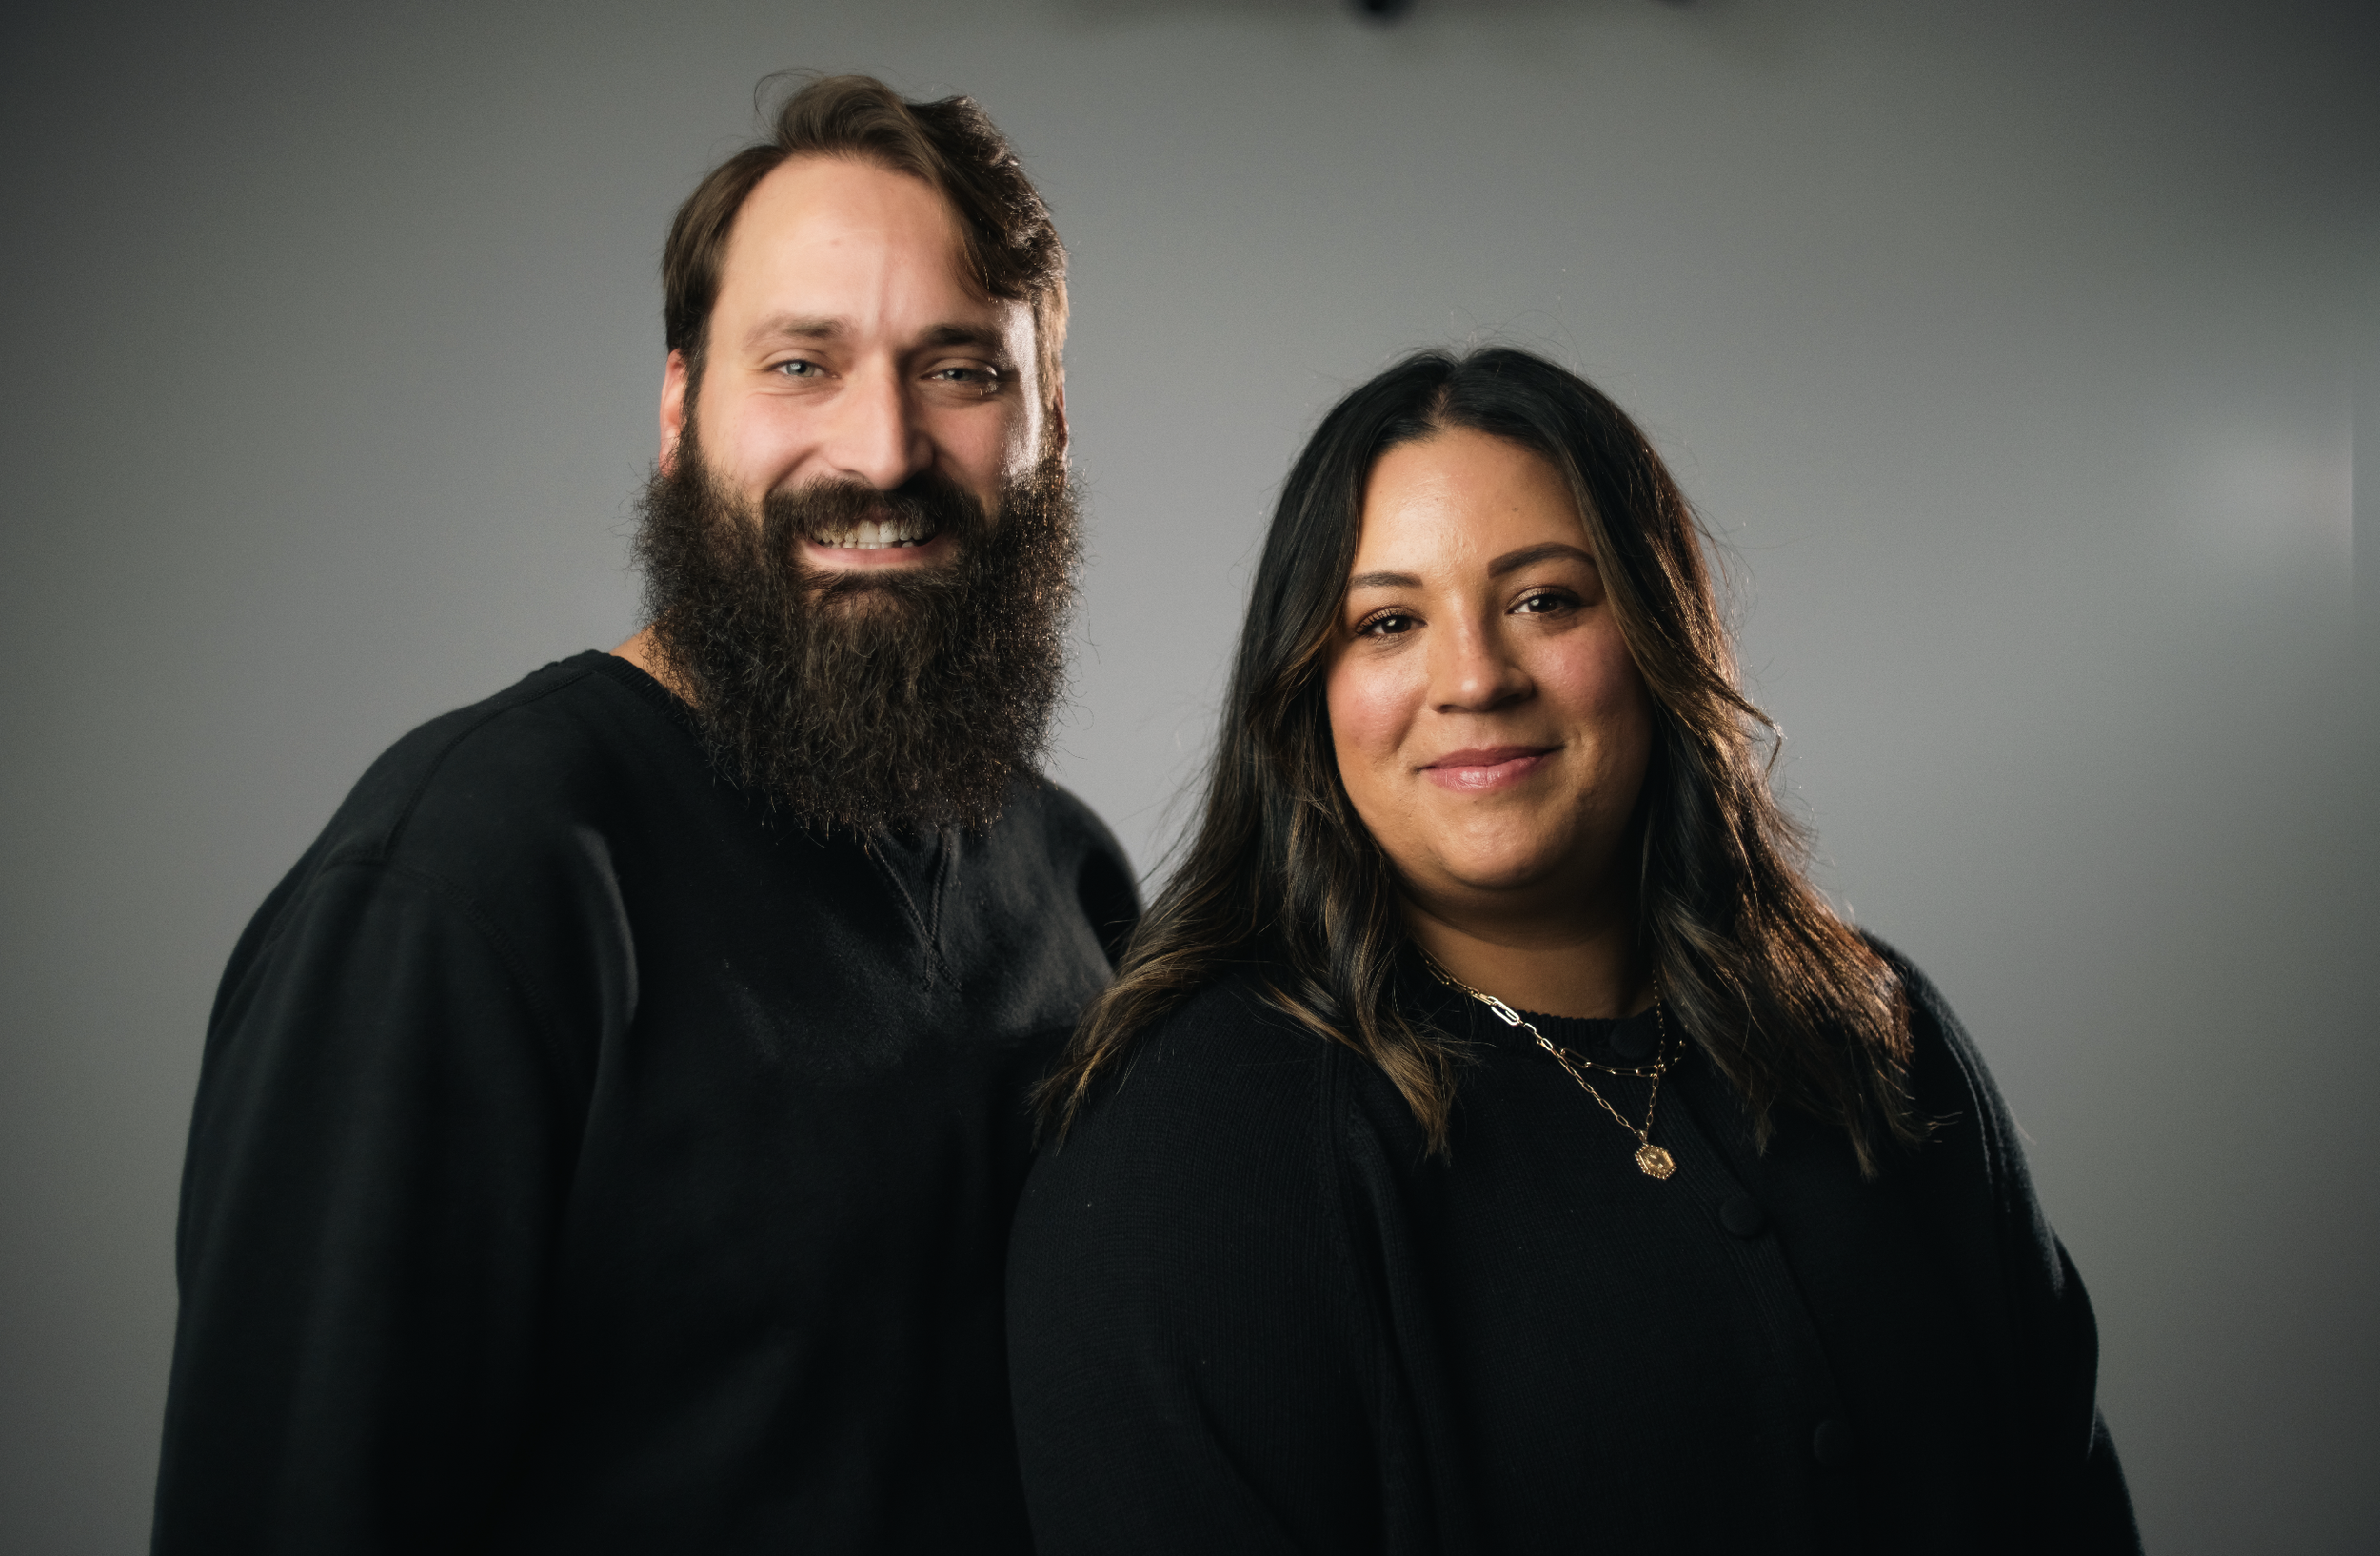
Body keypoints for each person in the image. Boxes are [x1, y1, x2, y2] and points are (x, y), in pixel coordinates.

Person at [152, 75, 1136, 1553]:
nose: (879, 449)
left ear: (1049, 426)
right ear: (680, 412)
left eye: (960, 370)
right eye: (801, 365)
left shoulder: (1073, 881)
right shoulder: (471, 882)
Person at [1007, 347, 2141, 1553]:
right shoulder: (1194, 1146)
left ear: (1656, 631)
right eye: (1388, 621)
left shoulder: (1872, 1029)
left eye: (1545, 599)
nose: (1476, 678)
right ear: (1305, 694)